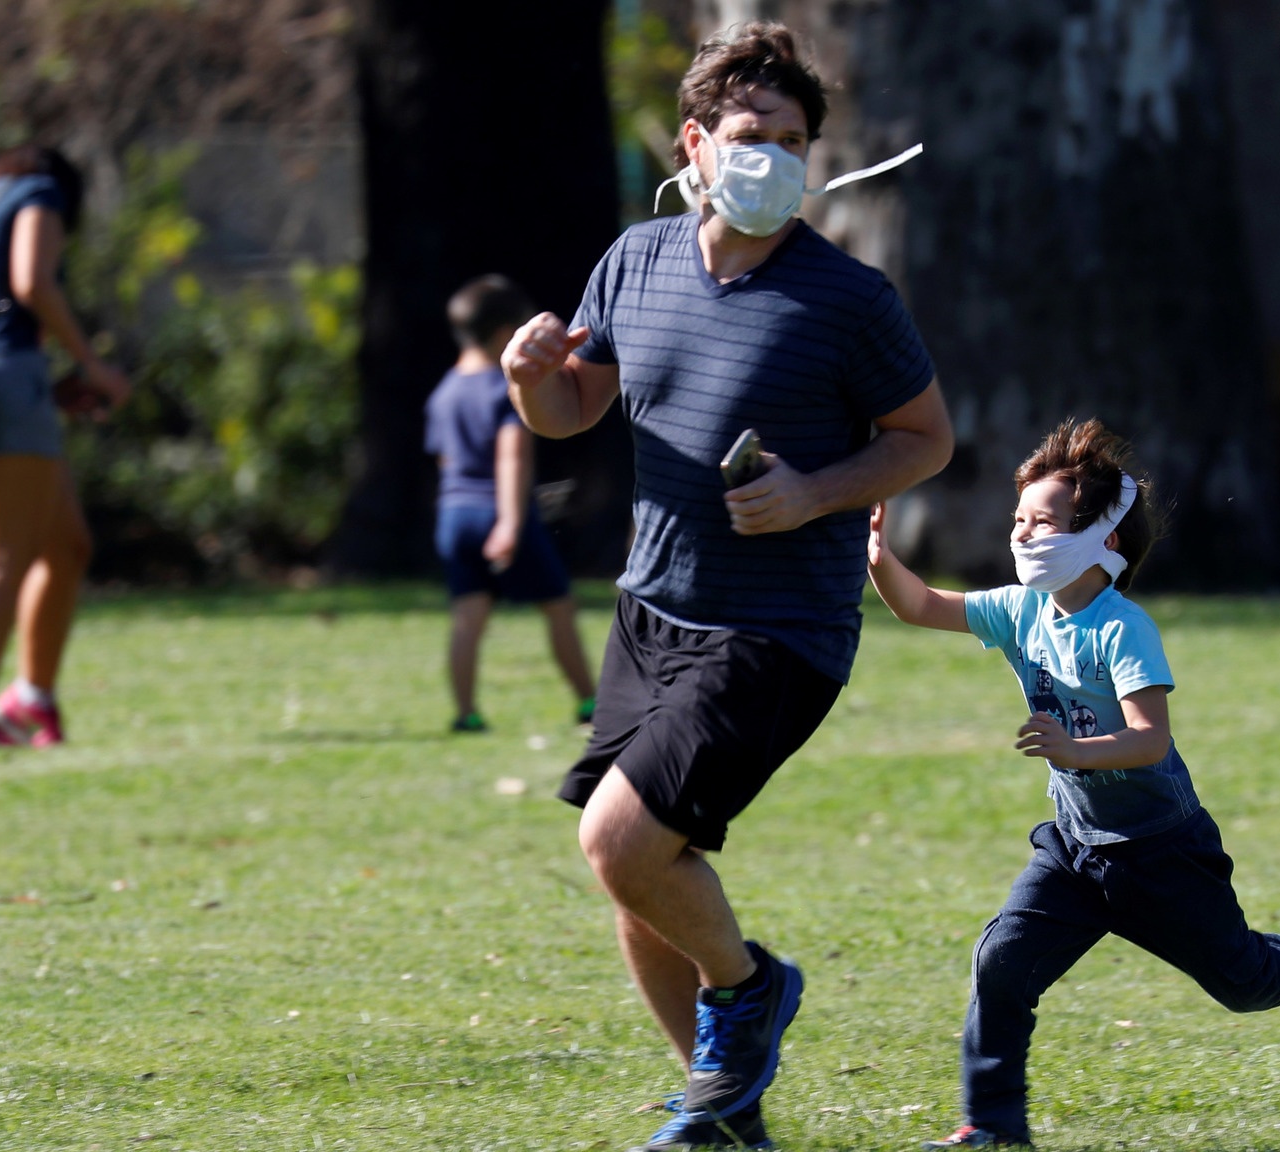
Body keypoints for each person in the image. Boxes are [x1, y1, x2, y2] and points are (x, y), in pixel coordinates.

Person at [500, 22, 952, 1150]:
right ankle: (722, 1109)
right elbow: (573, 410)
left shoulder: (849, 298)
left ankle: (747, 990)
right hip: (649, 610)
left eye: (792, 140)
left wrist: (814, 493)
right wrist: (526, 383)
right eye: (750, 135)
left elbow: (925, 440)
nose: (772, 159)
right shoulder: (635, 260)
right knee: (640, 874)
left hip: (776, 627)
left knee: (619, 844)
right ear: (694, 144)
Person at [866, 419, 1280, 1149]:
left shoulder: (1123, 628)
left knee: (1246, 980)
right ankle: (992, 1126)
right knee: (1002, 962)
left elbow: (1150, 740)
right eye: (1018, 518)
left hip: (1160, 851)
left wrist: (1073, 750)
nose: (1022, 534)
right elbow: (919, 604)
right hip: (1078, 850)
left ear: (1103, 540)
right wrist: (878, 556)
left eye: (1042, 521)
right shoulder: (1022, 612)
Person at [0, 146, 131, 754]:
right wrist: (91, 363)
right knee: (5, 561)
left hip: (4, 381)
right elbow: (30, 280)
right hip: (8, 382)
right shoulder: (39, 193)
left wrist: (55, 385)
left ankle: (29, 696)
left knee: (66, 544)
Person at [426, 274, 597, 732]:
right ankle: (590, 703)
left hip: (453, 515)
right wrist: (509, 521)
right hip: (497, 512)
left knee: (467, 616)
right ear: (506, 333)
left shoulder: (445, 391)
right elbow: (511, 455)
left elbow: (445, 461)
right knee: (558, 606)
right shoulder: (505, 387)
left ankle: (466, 713)